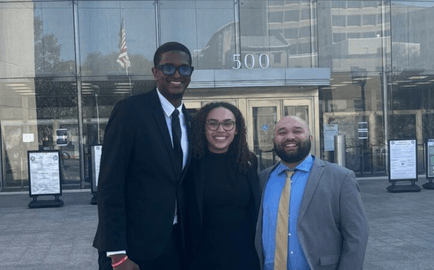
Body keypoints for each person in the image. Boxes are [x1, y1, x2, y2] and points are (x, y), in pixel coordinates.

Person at [92, 41, 194, 270]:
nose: (177, 74)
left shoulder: (190, 120)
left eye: (184, 68)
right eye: (169, 68)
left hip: (174, 246)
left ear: (190, 73)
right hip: (132, 250)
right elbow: (110, 185)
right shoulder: (130, 111)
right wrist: (117, 253)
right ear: (156, 72)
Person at [255, 116, 368, 270]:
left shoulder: (341, 178)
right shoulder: (262, 179)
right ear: (274, 140)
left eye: (297, 131)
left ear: (310, 137)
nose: (289, 137)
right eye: (282, 132)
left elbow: (356, 236)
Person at [185, 102, 261, 270]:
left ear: (236, 129)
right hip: (201, 258)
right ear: (203, 128)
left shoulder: (249, 161)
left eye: (228, 123)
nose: (220, 129)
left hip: (245, 257)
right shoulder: (190, 165)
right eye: (213, 123)